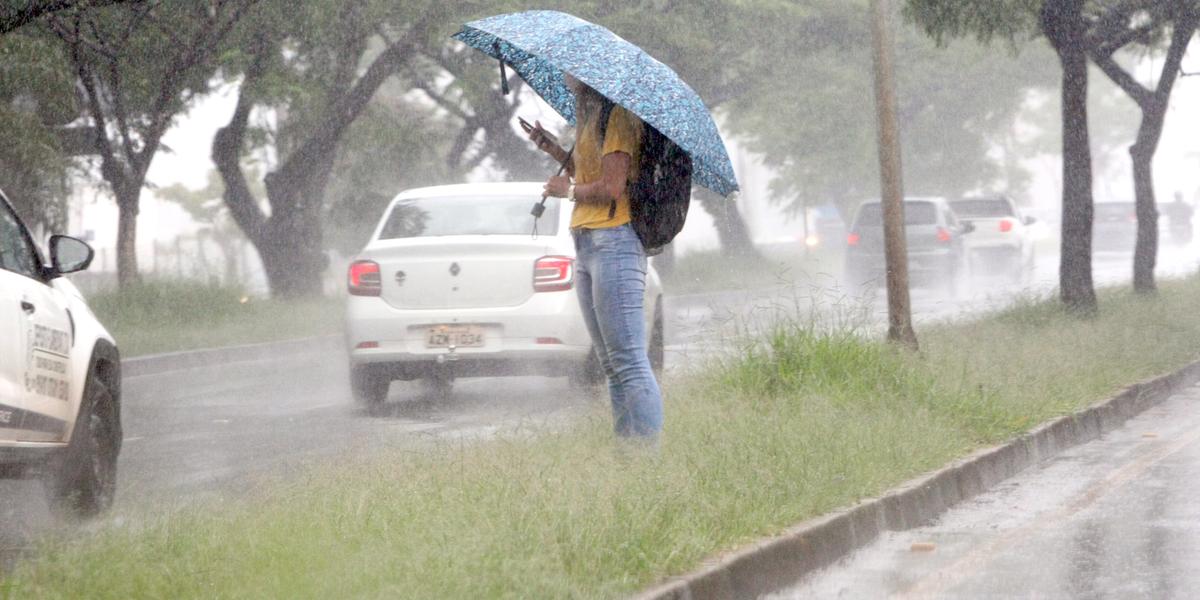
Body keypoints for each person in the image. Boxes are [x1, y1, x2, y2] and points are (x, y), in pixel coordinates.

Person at [526, 75, 663, 439]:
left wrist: (567, 191)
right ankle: (628, 457)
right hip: (586, 242)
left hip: (615, 239)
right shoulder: (590, 116)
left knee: (630, 360)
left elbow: (612, 186)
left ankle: (648, 461)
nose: (566, 77)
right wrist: (553, 150)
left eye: (572, 72)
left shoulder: (617, 116)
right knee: (612, 364)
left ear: (590, 76)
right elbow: (589, 174)